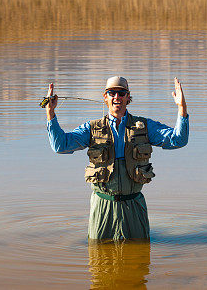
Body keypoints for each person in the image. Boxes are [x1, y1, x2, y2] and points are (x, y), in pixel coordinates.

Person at [45, 76, 189, 241]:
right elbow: (60, 146)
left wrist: (181, 107)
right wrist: (50, 113)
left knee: (139, 261)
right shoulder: (91, 129)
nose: (117, 97)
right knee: (99, 260)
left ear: (128, 97)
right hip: (102, 206)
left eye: (121, 93)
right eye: (112, 92)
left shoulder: (145, 126)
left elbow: (178, 140)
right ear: (105, 97)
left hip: (134, 204)